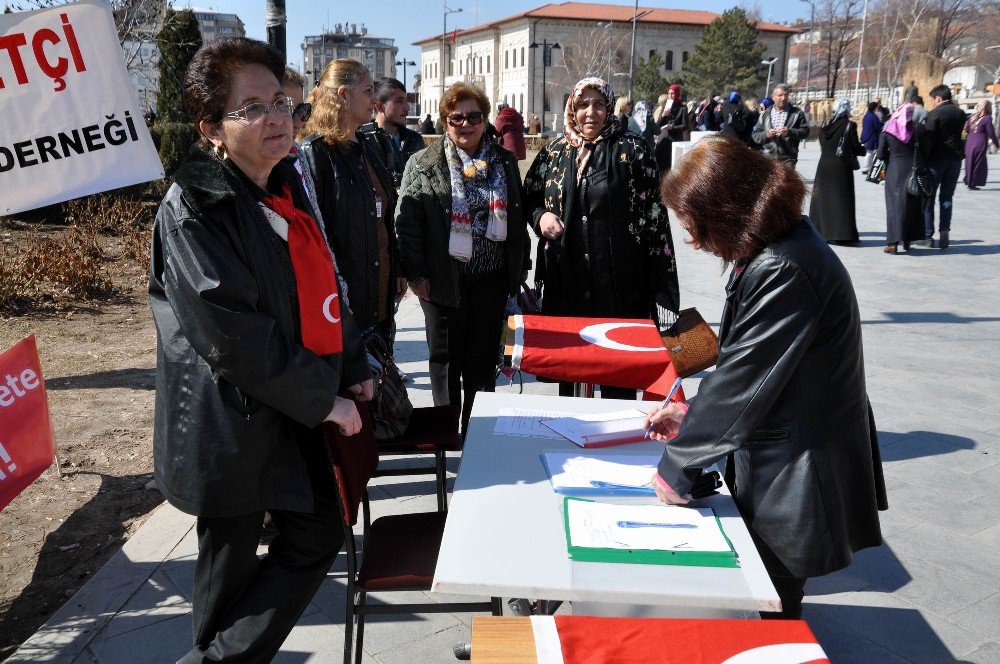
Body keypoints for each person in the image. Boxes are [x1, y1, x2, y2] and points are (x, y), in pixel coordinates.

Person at [149, 37, 373, 662]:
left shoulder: (281, 185)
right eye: (250, 107)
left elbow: (322, 285)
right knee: (227, 578)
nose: (276, 117)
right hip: (228, 423)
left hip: (281, 412)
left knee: (320, 528)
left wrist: (353, 365)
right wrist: (323, 399)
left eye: (279, 100)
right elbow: (232, 336)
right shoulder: (194, 205)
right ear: (211, 129)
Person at [644, 136, 886, 620]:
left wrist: (675, 471)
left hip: (796, 462)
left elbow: (741, 382)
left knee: (772, 602)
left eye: (696, 227)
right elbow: (754, 368)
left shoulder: (783, 266)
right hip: (784, 442)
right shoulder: (776, 244)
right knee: (766, 589)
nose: (693, 240)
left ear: (729, 211)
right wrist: (692, 415)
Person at [524, 77, 680, 401]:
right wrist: (541, 218)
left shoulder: (634, 149)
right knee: (571, 372)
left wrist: (662, 287)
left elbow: (655, 216)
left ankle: (614, 446)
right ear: (572, 109)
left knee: (618, 376)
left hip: (619, 285)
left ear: (610, 108)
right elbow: (528, 196)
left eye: (598, 104)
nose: (590, 112)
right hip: (567, 281)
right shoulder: (555, 151)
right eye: (583, 105)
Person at [395, 83, 529, 433]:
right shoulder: (423, 163)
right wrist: (416, 274)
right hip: (441, 281)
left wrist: (518, 268)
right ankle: (446, 429)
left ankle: (477, 429)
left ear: (485, 121)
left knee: (482, 361)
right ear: (444, 121)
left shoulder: (502, 161)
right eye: (457, 117)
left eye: (474, 116)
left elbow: (516, 215)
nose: (465, 124)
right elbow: (406, 225)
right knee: (445, 360)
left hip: (492, 279)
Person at [302, 59, 406, 342]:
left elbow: (386, 214)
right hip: (344, 300)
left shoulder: (369, 145)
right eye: (368, 90)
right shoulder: (316, 152)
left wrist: (397, 267)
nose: (375, 99)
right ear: (343, 94)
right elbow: (314, 235)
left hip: (380, 294)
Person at [810, 98, 865, 245]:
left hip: (824, 165)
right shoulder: (849, 125)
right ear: (847, 109)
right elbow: (855, 147)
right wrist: (863, 149)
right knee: (841, 200)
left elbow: (823, 144)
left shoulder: (826, 124)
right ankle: (842, 235)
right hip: (841, 167)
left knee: (822, 200)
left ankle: (819, 231)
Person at [921, 84, 967, 249]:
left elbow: (929, 139)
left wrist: (923, 160)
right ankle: (945, 229)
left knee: (929, 198)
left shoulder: (934, 114)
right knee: (947, 198)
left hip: (936, 161)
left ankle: (928, 235)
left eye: (934, 100)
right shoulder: (960, 113)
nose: (933, 103)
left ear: (938, 98)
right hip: (955, 161)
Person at [877, 103, 925, 254]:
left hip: (894, 171)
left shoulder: (888, 130)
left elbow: (880, 155)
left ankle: (893, 242)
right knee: (910, 206)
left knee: (893, 207)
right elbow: (926, 149)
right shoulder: (918, 129)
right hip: (913, 172)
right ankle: (908, 240)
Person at [360, 76, 425, 188]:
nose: (407, 107)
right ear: (380, 106)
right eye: (399, 101)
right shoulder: (362, 139)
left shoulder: (414, 140)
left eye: (406, 100)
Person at [752, 83, 810, 168]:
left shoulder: (797, 113)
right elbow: (755, 135)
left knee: (786, 181)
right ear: (773, 97)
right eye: (780, 95)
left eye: (786, 95)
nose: (783, 98)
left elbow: (806, 132)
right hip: (768, 158)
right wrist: (766, 134)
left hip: (788, 159)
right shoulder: (765, 115)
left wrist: (789, 132)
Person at [964, 99, 998, 190]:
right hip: (980, 142)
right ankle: (973, 183)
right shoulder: (987, 118)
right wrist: (997, 145)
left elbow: (967, 129)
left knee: (969, 162)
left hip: (969, 142)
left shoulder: (971, 117)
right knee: (978, 163)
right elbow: (991, 132)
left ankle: (969, 181)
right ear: (988, 107)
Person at [655, 84, 689, 170]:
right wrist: (664, 115)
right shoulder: (665, 106)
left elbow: (685, 126)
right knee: (660, 163)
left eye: (673, 93)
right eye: (669, 93)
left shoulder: (682, 108)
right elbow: (658, 124)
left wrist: (673, 127)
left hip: (675, 140)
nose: (670, 96)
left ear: (677, 94)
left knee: (673, 165)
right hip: (663, 139)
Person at [860, 101, 883, 173]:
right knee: (869, 153)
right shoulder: (873, 116)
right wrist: (882, 124)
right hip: (871, 136)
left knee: (869, 153)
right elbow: (877, 126)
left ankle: (868, 167)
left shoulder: (866, 115)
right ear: (874, 108)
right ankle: (866, 168)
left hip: (865, 135)